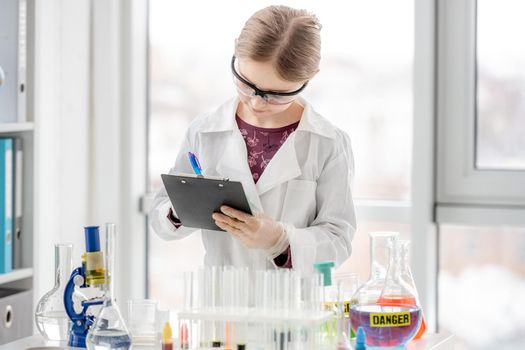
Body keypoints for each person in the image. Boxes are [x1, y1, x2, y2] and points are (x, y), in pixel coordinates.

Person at [149, 5, 356, 273]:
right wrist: (182, 208)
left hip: (293, 306)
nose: (256, 102)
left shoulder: (328, 143)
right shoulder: (204, 132)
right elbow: (160, 223)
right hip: (220, 303)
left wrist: (279, 240)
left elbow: (338, 241)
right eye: (245, 83)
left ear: (309, 77)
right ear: (236, 49)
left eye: (276, 94)